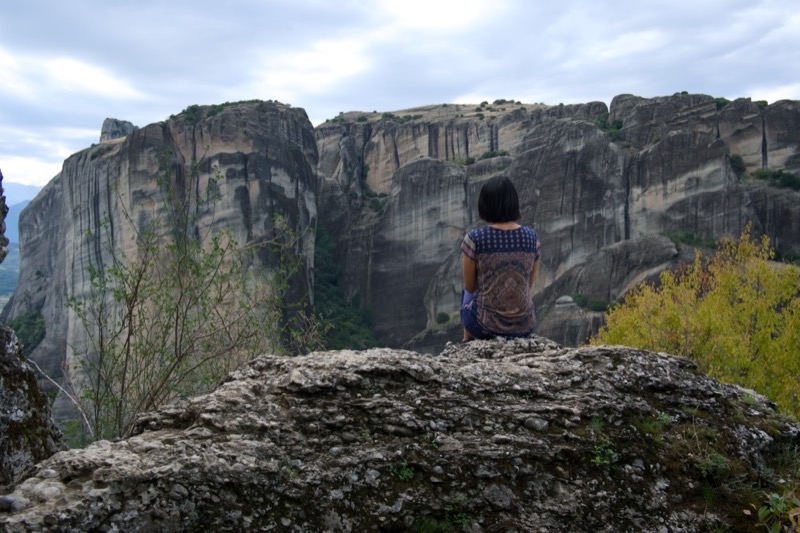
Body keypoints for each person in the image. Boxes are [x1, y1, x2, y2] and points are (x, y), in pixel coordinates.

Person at [460, 175, 541, 341]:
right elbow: (528, 284)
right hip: (524, 327)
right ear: (513, 202)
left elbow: (470, 285)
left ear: (484, 204)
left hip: (483, 327)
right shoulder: (532, 237)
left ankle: (466, 338)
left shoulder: (474, 238)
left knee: (466, 294)